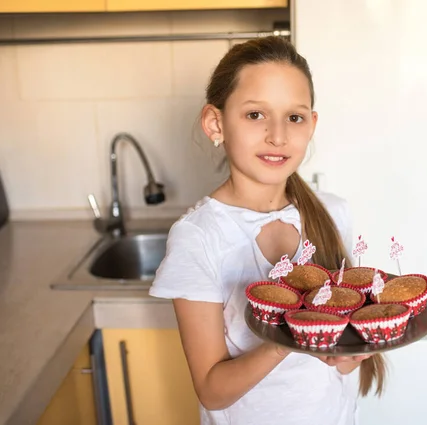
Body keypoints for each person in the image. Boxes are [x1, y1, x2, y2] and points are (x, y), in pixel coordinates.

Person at [149, 36, 384, 425]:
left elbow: (340, 368)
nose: (278, 135)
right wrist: (290, 339)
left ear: (311, 125)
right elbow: (212, 390)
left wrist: (355, 347)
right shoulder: (200, 236)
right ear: (216, 123)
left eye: (294, 117)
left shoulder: (332, 212)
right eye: (255, 114)